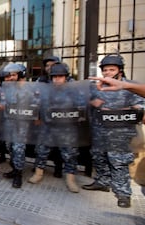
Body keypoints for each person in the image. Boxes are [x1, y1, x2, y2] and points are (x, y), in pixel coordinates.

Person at [82, 55, 145, 208]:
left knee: (119, 162)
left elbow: (141, 108)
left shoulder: (130, 86)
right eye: (105, 70)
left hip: (120, 132)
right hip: (99, 130)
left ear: (120, 70)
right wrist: (92, 101)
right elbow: (81, 99)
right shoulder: (95, 86)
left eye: (112, 69)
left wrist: (120, 109)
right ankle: (102, 182)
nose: (108, 73)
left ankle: (123, 194)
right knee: (99, 157)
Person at [28, 63, 85, 193]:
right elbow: (35, 104)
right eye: (54, 77)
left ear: (66, 77)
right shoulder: (45, 89)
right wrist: (36, 118)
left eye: (60, 76)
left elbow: (82, 107)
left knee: (70, 154)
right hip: (48, 126)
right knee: (41, 151)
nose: (57, 79)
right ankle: (38, 173)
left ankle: (70, 179)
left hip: (67, 127)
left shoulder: (74, 90)